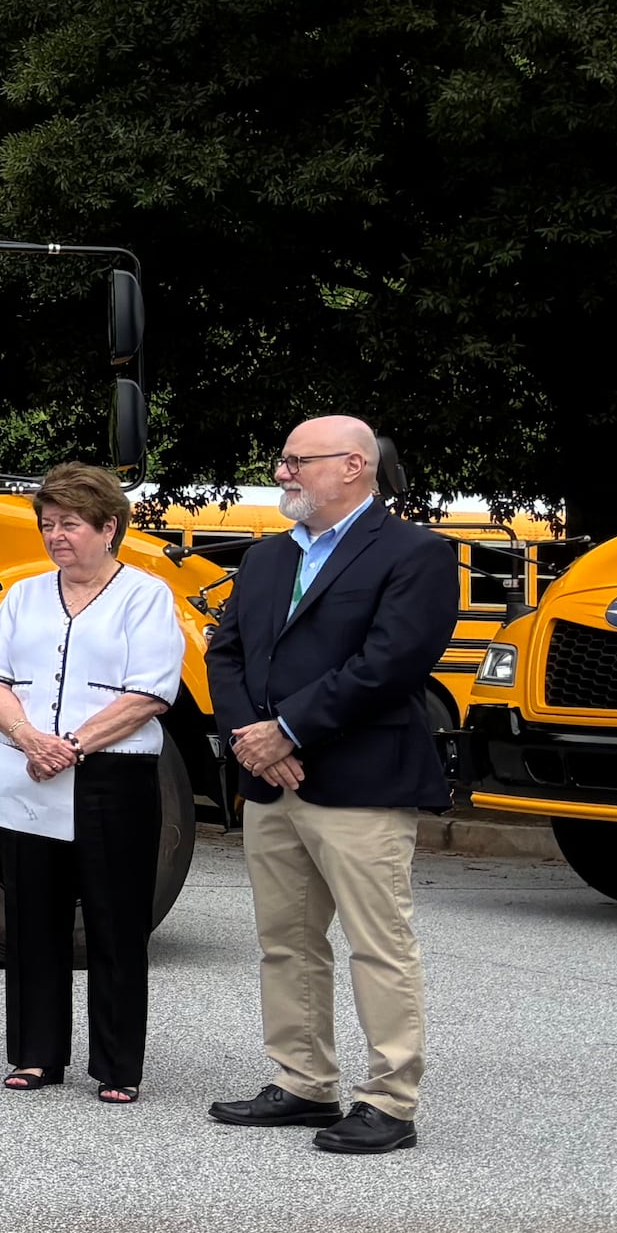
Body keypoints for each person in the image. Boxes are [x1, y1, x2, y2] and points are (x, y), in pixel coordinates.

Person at [201, 414, 455, 1154]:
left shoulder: (416, 553)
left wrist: (290, 730)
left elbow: (392, 663)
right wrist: (258, 742)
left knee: (380, 944)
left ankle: (390, 1099)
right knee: (287, 942)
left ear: (353, 466)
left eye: (295, 461)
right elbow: (226, 652)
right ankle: (304, 1082)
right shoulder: (268, 557)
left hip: (361, 781)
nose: (282, 474)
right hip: (273, 782)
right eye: (282, 462)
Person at [0, 462, 186, 1101]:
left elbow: (151, 693)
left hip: (113, 775)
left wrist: (73, 745)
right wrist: (30, 739)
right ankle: (36, 1054)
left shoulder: (145, 596)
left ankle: (117, 1067)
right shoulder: (24, 595)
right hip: (29, 767)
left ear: (108, 527)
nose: (55, 536)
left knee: (117, 919)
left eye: (69, 524)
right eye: (47, 524)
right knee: (32, 913)